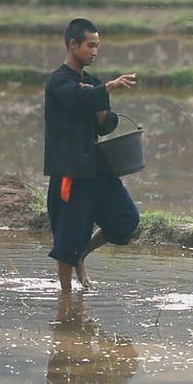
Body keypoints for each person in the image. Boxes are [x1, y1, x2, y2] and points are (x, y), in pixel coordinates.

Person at [44, 18, 140, 291]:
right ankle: (65, 300)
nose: (95, 52)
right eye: (90, 46)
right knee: (67, 240)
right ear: (72, 45)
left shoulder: (92, 82)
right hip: (69, 172)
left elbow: (105, 124)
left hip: (96, 168)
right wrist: (105, 89)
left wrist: (100, 96)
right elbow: (75, 99)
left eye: (97, 46)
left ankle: (82, 255)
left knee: (126, 219)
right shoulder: (58, 82)